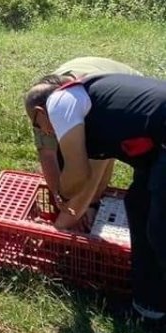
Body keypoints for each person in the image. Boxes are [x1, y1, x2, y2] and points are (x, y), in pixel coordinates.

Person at [25, 73, 166, 326]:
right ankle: (149, 309)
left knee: (161, 231)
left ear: (39, 112)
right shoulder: (84, 99)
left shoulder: (60, 102)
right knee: (138, 206)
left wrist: (63, 195)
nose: (44, 132)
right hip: (157, 148)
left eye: (37, 125)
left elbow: (79, 172)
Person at [35, 57, 141, 224]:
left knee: (92, 158)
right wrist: (58, 195)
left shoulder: (73, 105)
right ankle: (89, 205)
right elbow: (47, 154)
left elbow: (90, 171)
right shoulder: (43, 97)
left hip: (132, 94)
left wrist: (61, 226)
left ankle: (92, 204)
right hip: (99, 82)